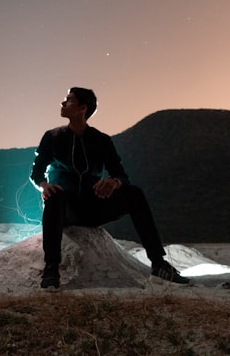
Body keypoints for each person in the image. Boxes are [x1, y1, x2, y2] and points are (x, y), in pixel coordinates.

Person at [30, 87, 189, 289]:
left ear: (82, 108)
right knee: (55, 196)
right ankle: (51, 269)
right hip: (64, 209)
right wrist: (44, 185)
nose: (63, 103)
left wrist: (113, 183)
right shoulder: (52, 137)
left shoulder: (101, 140)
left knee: (135, 194)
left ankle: (158, 264)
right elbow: (36, 173)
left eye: (69, 100)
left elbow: (122, 175)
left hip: (93, 207)